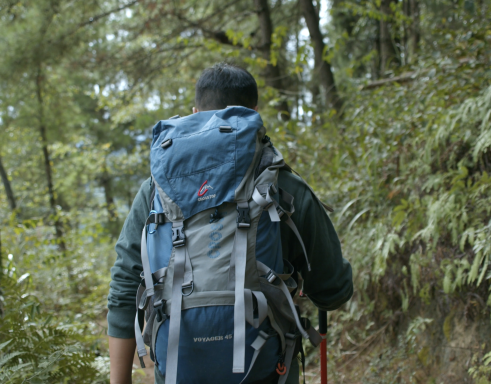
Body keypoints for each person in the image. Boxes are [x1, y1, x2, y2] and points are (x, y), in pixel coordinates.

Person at [107, 62, 353, 384]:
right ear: (253, 112)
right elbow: (333, 290)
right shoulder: (284, 187)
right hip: (266, 371)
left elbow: (126, 285)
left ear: (195, 111)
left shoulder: (156, 190)